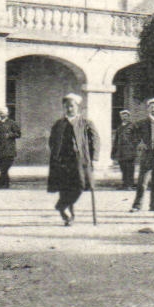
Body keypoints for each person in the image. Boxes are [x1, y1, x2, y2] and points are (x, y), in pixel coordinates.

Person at [47, 94, 101, 225]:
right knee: (65, 188)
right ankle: (68, 216)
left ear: (77, 107)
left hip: (80, 160)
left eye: (72, 106)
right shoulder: (59, 124)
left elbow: (95, 139)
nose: (69, 109)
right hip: (63, 160)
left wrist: (94, 157)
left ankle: (61, 205)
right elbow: (52, 141)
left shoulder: (85, 123)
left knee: (81, 185)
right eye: (66, 106)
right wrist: (56, 154)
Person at [0, 107, 22, 190]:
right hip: (0, 149)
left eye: (3, 112)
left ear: (7, 113)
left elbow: (19, 134)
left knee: (5, 168)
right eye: (0, 113)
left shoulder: (12, 123)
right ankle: (5, 184)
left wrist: (10, 135)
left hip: (10, 149)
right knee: (2, 168)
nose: (2, 114)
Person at [112, 107, 138, 199]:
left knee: (130, 167)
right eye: (123, 116)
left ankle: (130, 184)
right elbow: (116, 140)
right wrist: (113, 151)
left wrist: (133, 146)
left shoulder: (132, 126)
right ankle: (125, 183)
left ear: (129, 117)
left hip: (129, 151)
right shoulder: (119, 127)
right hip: (121, 151)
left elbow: (137, 137)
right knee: (123, 167)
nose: (124, 117)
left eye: (126, 116)